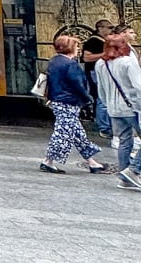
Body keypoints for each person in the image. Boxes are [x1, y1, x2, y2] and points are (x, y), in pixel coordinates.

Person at [40, 34, 106, 176]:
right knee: (63, 132)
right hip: (69, 101)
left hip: (57, 100)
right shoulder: (70, 65)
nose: (78, 49)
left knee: (77, 132)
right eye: (76, 46)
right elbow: (78, 85)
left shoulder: (54, 61)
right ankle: (48, 160)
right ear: (70, 48)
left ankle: (91, 161)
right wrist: (87, 98)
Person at [95, 31, 141, 188]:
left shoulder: (101, 63)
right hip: (132, 108)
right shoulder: (128, 62)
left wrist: (107, 104)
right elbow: (138, 87)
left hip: (113, 109)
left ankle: (125, 176)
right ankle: (133, 170)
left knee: (124, 141)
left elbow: (100, 89)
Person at [83, 19, 113, 136]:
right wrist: (105, 55)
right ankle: (103, 126)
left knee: (103, 98)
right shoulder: (93, 41)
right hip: (95, 72)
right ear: (100, 27)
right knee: (101, 98)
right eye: (108, 27)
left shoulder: (105, 41)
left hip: (103, 72)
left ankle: (105, 125)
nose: (110, 30)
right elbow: (86, 58)